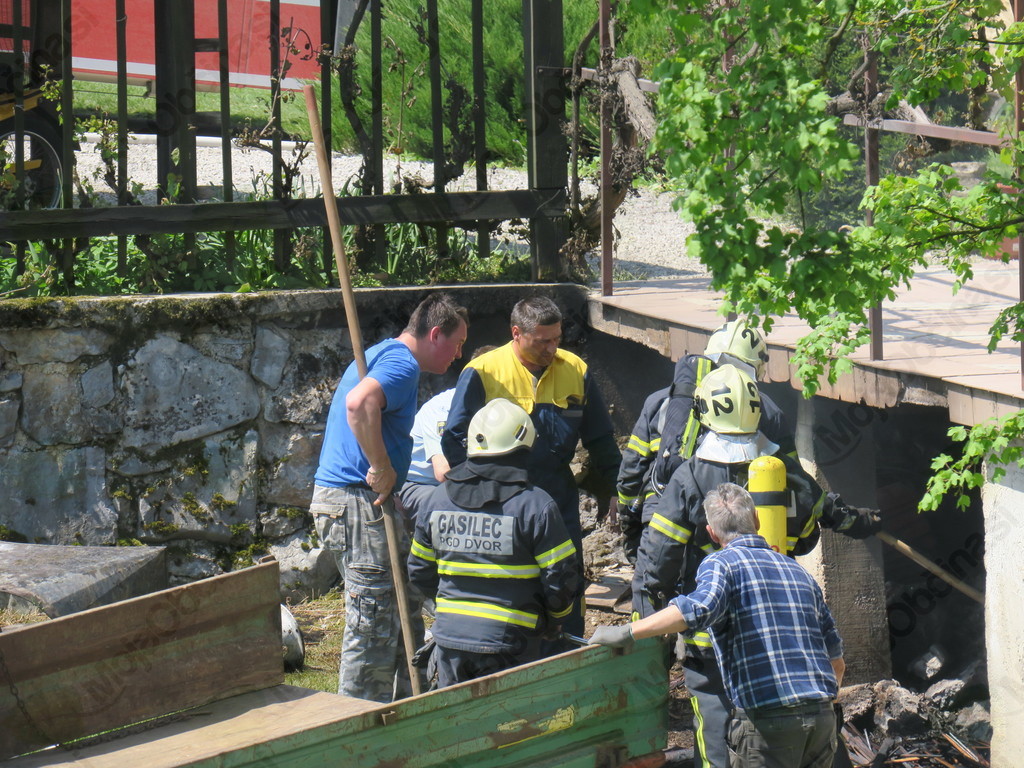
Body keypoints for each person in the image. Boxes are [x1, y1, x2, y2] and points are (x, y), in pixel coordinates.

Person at [632, 364, 879, 768]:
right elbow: (812, 529)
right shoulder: (784, 469)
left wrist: (645, 627)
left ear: (703, 411)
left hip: (711, 639)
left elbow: (657, 563)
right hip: (782, 635)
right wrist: (862, 522)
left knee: (714, 724)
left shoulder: (689, 476)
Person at [590, 482, 845, 768]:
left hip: (767, 721)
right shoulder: (798, 571)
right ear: (757, 520)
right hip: (822, 716)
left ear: (711, 533)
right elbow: (836, 661)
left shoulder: (721, 564)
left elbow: (697, 609)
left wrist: (627, 631)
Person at [310, 292, 469, 703]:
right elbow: (359, 404)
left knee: (403, 609)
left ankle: (410, 707)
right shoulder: (401, 364)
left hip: (364, 501)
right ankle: (358, 722)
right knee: (374, 623)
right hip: (356, 501)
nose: (459, 354)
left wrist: (391, 484)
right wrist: (381, 467)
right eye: (457, 344)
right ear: (435, 334)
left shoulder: (384, 354)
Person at [441, 295, 621, 636]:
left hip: (557, 497)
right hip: (502, 502)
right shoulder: (483, 371)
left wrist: (614, 487)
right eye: (542, 342)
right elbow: (454, 438)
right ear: (516, 333)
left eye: (557, 339)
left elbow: (600, 437)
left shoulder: (576, 370)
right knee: (512, 583)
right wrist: (476, 494)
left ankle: (568, 647)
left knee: (565, 578)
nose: (552, 349)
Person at [408, 398, 581, 688]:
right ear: (525, 446)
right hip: (513, 644)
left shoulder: (436, 500)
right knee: (508, 717)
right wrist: (555, 620)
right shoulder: (535, 505)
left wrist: (453, 610)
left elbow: (419, 571)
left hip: (450, 640)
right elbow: (561, 579)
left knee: (457, 715)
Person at [617, 320, 794, 565]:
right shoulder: (767, 410)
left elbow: (632, 471)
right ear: (755, 368)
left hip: (661, 520)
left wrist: (629, 524)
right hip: (731, 529)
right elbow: (790, 479)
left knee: (653, 584)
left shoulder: (660, 401)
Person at [398, 346, 497, 526]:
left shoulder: (500, 408)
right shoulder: (443, 408)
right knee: (450, 510)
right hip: (423, 484)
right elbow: (444, 472)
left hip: (472, 482)